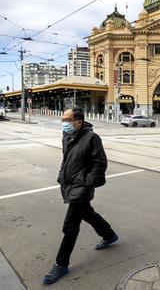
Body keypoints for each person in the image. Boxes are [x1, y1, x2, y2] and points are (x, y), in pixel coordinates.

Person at [42, 106, 118, 285]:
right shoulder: (67, 135)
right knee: (87, 213)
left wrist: (87, 182)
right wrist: (61, 175)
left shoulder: (92, 138)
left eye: (67, 120)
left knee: (70, 226)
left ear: (79, 121)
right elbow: (65, 158)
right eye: (63, 119)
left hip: (81, 187)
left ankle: (61, 264)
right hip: (70, 184)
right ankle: (109, 235)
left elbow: (101, 163)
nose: (64, 123)